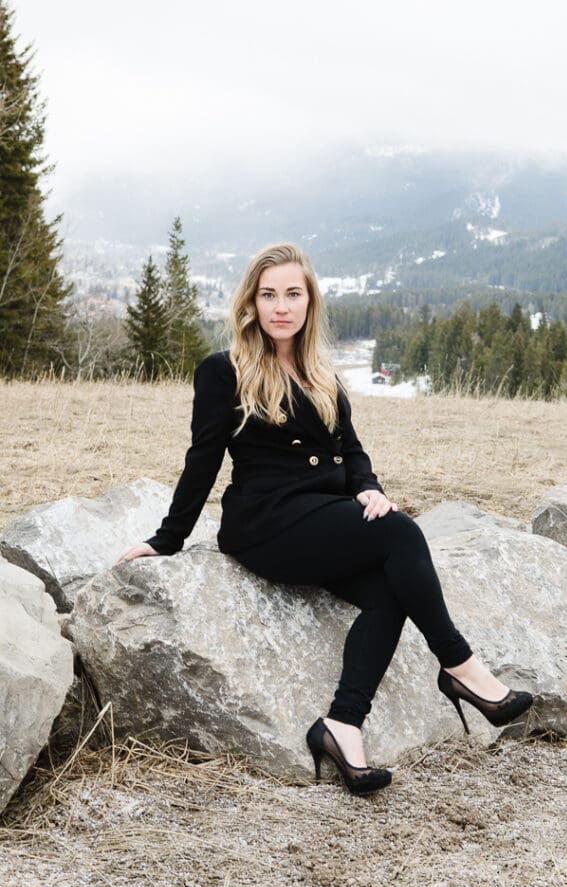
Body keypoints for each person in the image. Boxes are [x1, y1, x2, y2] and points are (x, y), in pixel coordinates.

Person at [116, 241, 533, 795]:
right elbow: (203, 458)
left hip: (324, 518)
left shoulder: (321, 373)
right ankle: (461, 667)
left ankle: (342, 725)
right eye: (269, 295)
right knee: (403, 533)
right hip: (265, 523)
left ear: (309, 302)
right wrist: (167, 539)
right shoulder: (224, 371)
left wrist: (371, 491)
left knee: (391, 589)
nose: (281, 306)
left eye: (293, 294)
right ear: (251, 303)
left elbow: (353, 451)